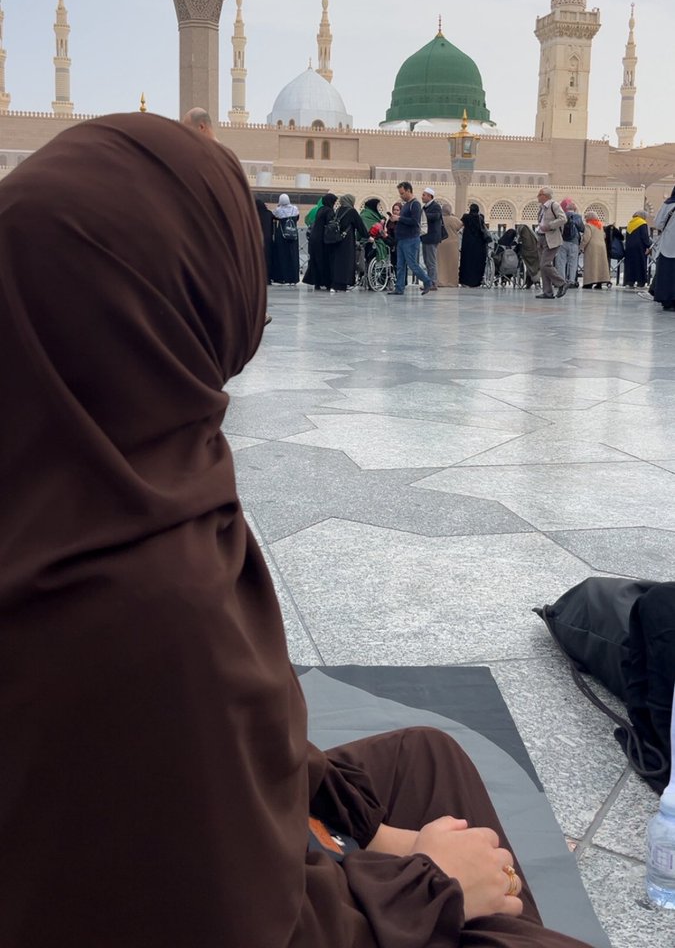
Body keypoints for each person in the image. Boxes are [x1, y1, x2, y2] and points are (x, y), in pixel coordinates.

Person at [0, 111, 597, 948]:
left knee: (426, 760)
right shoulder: (137, 595)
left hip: (194, 842)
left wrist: (365, 830)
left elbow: (220, 737)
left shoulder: (95, 468)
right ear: (178, 291)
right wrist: (429, 885)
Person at [389, 182, 434, 296]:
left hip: (410, 239)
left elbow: (414, 221)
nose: (401, 196)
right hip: (402, 239)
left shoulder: (415, 205)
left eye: (402, 193)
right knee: (400, 265)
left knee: (412, 264)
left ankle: (428, 281)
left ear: (409, 191)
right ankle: (399, 288)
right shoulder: (406, 205)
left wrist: (399, 218)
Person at [327, 194, 369, 292]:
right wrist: (368, 236)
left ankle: (335, 284)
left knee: (337, 262)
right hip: (347, 241)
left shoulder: (338, 210)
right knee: (346, 262)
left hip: (336, 240)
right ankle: (343, 284)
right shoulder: (352, 211)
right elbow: (360, 226)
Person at [534, 187, 568, 300]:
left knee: (545, 264)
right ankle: (547, 292)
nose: (537, 196)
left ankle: (562, 283)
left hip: (552, 239)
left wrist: (549, 226)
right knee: (543, 266)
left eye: (539, 194)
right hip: (541, 238)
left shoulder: (554, 205)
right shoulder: (541, 208)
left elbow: (563, 219)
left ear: (545, 196)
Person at [303, 192, 337, 290]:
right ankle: (326, 283)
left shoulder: (320, 210)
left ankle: (317, 283)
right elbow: (330, 225)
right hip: (322, 240)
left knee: (316, 261)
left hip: (314, 238)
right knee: (325, 261)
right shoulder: (329, 211)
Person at [652, 186, 675, 310]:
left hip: (668, 245)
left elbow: (658, 223)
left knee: (667, 274)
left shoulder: (667, 204)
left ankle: (666, 300)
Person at [271, 192, 301, 285]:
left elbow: (273, 217)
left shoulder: (278, 210)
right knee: (293, 255)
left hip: (282, 236)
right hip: (293, 235)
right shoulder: (295, 209)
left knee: (282, 256)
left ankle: (284, 278)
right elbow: (297, 218)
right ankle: (294, 279)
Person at [459, 203, 490, 288]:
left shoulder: (465, 217)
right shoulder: (481, 217)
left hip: (468, 244)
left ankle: (465, 281)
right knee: (477, 262)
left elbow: (459, 225)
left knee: (467, 262)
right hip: (479, 245)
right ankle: (477, 282)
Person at [555, 199, 585, 288]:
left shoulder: (562, 216)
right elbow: (582, 229)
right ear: (575, 209)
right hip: (574, 242)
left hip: (562, 241)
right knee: (573, 262)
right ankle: (571, 281)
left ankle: (561, 280)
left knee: (561, 262)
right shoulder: (578, 217)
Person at [580, 212, 611, 290]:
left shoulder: (588, 225)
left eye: (586, 217)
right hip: (601, 247)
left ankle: (589, 283)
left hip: (592, 247)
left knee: (591, 265)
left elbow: (587, 237)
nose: (585, 219)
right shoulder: (600, 225)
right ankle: (599, 283)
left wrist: (581, 247)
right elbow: (604, 235)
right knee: (600, 265)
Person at [420, 187, 443, 289]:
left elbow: (436, 216)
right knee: (426, 261)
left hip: (432, 238)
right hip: (425, 237)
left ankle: (433, 283)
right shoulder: (425, 207)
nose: (422, 197)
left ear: (430, 196)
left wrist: (422, 215)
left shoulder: (436, 206)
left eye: (424, 195)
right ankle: (429, 282)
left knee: (431, 261)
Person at [437, 200, 463, 287]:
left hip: (441, 243)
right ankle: (452, 282)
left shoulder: (438, 219)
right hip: (453, 244)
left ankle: (441, 281)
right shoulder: (454, 220)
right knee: (453, 263)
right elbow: (460, 226)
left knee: (441, 263)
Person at [623, 211, 651, 288]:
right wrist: (648, 246)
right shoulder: (642, 223)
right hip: (639, 248)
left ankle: (630, 281)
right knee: (640, 264)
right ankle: (641, 282)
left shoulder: (630, 223)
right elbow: (644, 236)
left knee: (630, 265)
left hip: (629, 247)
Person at [255, 196, 274, 283]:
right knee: (268, 259)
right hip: (268, 240)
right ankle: (268, 278)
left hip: (257, 240)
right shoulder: (269, 213)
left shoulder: (254, 214)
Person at [516, 224, 540, 289]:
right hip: (536, 254)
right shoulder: (533, 236)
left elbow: (520, 244)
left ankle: (529, 282)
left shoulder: (523, 237)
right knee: (534, 268)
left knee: (529, 267)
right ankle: (536, 282)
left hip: (527, 255)